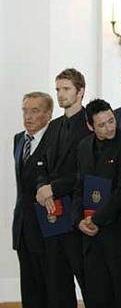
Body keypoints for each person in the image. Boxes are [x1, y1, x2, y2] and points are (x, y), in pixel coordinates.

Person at [73, 99, 121, 308]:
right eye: (102, 125)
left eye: (111, 121)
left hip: (118, 236)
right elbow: (79, 186)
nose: (109, 127)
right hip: (90, 239)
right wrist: (78, 221)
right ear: (90, 127)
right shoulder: (83, 147)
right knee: (96, 296)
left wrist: (96, 220)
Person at [36, 68, 91, 308]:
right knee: (57, 282)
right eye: (58, 89)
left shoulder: (91, 123)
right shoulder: (54, 125)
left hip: (78, 212)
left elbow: (89, 170)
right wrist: (42, 188)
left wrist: (53, 188)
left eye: (66, 89)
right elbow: (42, 164)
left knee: (89, 280)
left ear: (80, 91)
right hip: (52, 213)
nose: (60, 94)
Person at [13, 92, 54, 308]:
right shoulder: (19, 139)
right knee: (29, 290)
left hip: (48, 226)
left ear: (48, 114)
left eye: (35, 111)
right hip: (22, 226)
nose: (28, 116)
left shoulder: (55, 140)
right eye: (25, 110)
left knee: (50, 288)